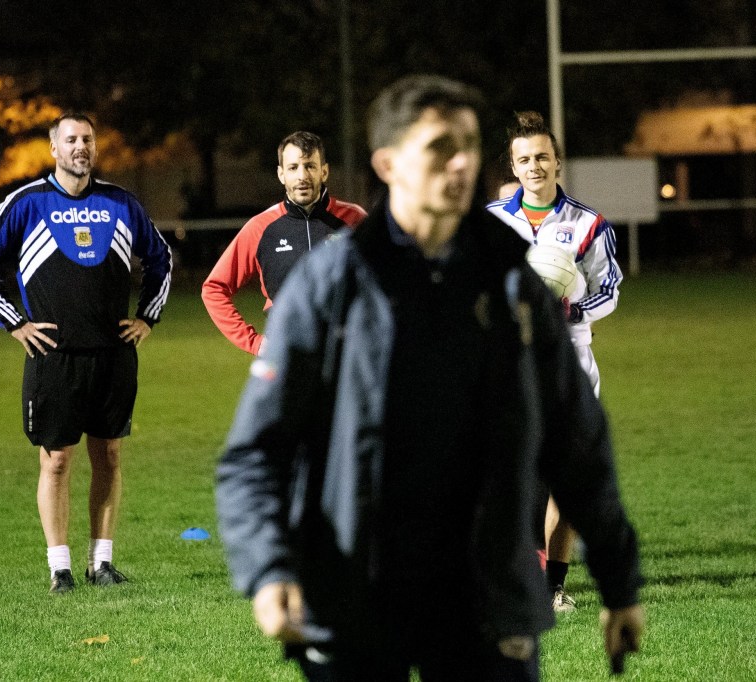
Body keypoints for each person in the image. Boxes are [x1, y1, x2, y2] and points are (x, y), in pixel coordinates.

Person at [215, 75, 644, 680]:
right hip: (356, 590)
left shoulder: (513, 283)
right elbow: (255, 449)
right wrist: (268, 570)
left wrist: (619, 581)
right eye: (440, 148)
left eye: (468, 145)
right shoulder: (332, 282)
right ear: (388, 164)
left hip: (486, 594)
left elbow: (577, 438)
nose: (462, 162)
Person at [0, 113, 173, 594]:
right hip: (54, 355)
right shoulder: (28, 202)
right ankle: (60, 568)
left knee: (110, 455)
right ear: (54, 148)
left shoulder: (121, 202)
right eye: (71, 139)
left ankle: (102, 563)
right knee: (56, 460)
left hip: (113, 354)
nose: (81, 147)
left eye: (88, 139)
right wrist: (14, 321)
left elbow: (160, 257)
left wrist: (148, 316)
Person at [487, 111, 624, 613]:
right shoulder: (490, 221)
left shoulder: (588, 224)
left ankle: (553, 586)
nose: (534, 166)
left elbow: (610, 288)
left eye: (542, 157)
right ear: (514, 166)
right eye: (524, 159)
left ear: (557, 162)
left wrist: (573, 308)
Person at [201, 131, 366, 354]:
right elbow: (214, 288)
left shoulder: (356, 220)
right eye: (293, 168)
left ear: (324, 171)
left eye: (310, 166)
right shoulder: (260, 227)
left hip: (345, 353)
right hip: (286, 354)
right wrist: (254, 343)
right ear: (281, 174)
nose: (302, 176)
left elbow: (391, 278)